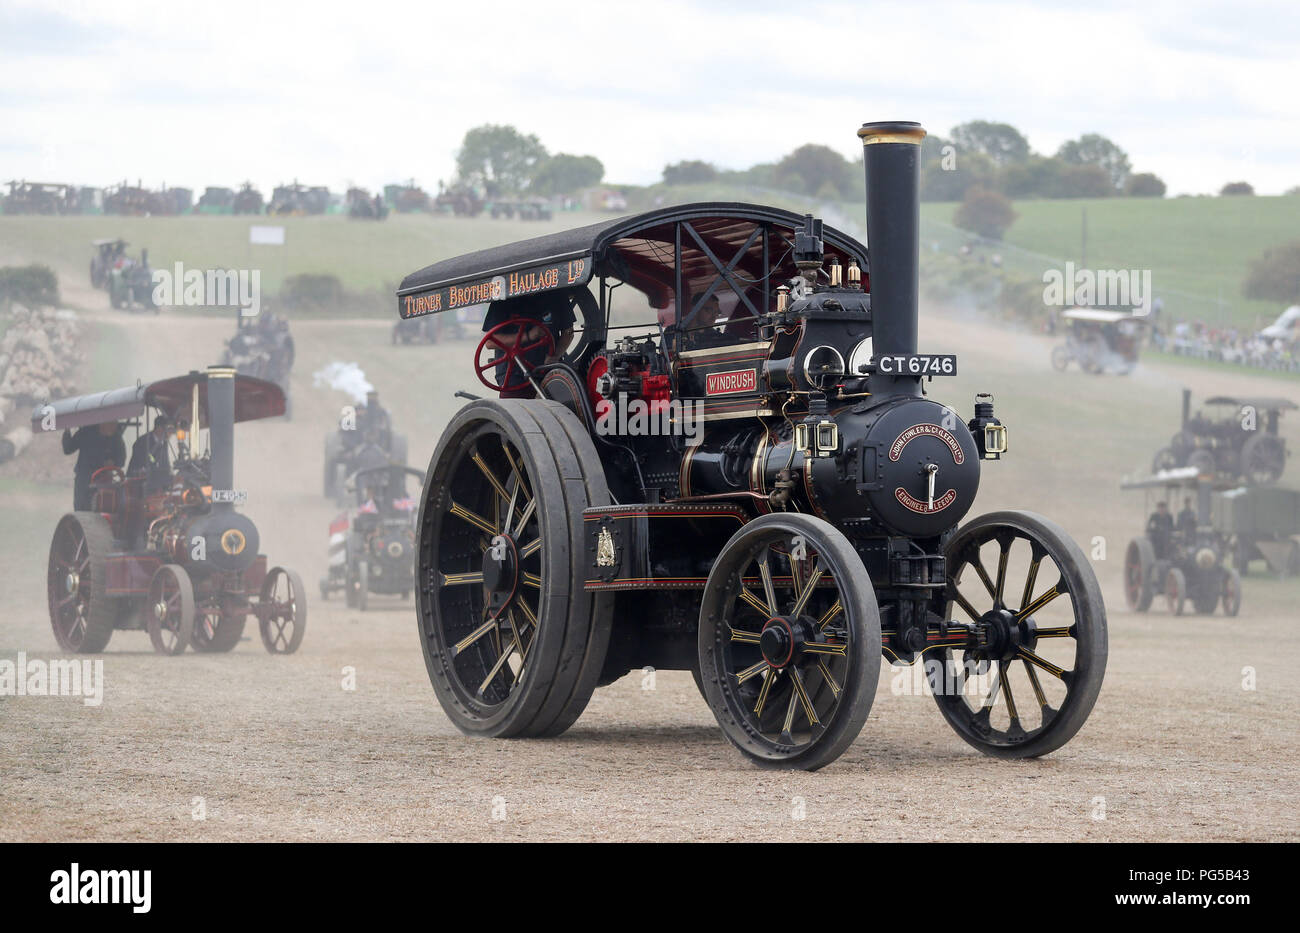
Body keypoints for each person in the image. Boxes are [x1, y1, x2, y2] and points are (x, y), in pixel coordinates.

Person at [482, 289, 576, 396]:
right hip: (513, 375)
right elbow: (490, 342)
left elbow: (568, 332)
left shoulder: (557, 295)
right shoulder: (503, 299)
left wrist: (555, 356)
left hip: (548, 372)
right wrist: (528, 336)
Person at [63, 421, 126, 511]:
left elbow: (121, 460)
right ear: (102, 422)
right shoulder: (85, 432)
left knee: (105, 506)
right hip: (84, 479)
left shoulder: (116, 438)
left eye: (115, 424)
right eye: (111, 424)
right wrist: (67, 431)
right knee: (82, 508)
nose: (113, 427)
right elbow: (68, 449)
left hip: (105, 480)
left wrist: (113, 462)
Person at [128, 415, 174, 492]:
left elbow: (165, 462)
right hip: (138, 482)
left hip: (156, 480)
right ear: (159, 429)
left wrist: (170, 473)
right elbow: (147, 459)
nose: (171, 434)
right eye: (169, 431)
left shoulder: (164, 442)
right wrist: (155, 464)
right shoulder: (142, 442)